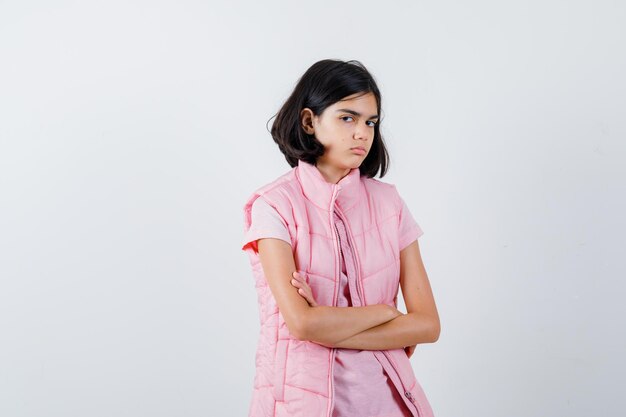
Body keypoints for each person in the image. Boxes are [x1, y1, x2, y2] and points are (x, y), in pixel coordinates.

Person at [241, 59, 439, 417]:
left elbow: (427, 324)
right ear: (309, 121)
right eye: (347, 118)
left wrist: (329, 323)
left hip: (388, 401)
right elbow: (302, 323)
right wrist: (385, 314)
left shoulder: (389, 203)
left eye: (370, 122)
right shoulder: (273, 205)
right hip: (304, 405)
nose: (362, 132)